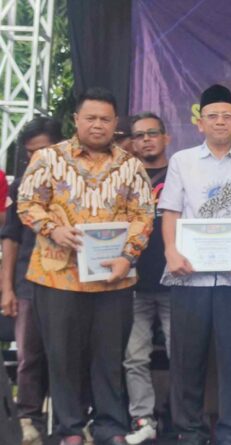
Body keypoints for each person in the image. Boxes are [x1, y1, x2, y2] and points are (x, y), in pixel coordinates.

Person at [17, 87, 154, 445]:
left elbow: (143, 215)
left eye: (105, 119)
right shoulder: (48, 158)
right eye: (90, 118)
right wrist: (53, 229)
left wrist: (128, 256)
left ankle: (110, 427)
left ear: (115, 123)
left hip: (113, 278)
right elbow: (27, 204)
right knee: (62, 358)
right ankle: (71, 430)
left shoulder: (131, 165)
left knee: (109, 357)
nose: (97, 125)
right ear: (76, 120)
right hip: (57, 276)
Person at [159, 84, 231, 445]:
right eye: (212, 116)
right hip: (189, 276)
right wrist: (171, 251)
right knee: (186, 361)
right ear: (200, 122)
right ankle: (188, 433)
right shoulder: (182, 161)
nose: (220, 121)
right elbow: (171, 211)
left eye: (227, 116)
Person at [0, 116, 62, 445]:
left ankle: (71, 421)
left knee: (68, 355)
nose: (35, 158)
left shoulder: (79, 181)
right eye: (29, 153)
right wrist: (6, 288)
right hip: (27, 281)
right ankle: (28, 420)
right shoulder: (20, 184)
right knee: (29, 356)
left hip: (70, 282)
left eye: (42, 150)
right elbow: (10, 238)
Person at [122, 112, 172, 445]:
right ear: (132, 142)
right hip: (133, 283)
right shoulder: (125, 177)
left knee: (182, 356)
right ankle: (144, 420)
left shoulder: (180, 174)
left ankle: (179, 418)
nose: (146, 140)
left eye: (152, 133)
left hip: (175, 281)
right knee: (134, 357)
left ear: (166, 138)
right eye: (139, 135)